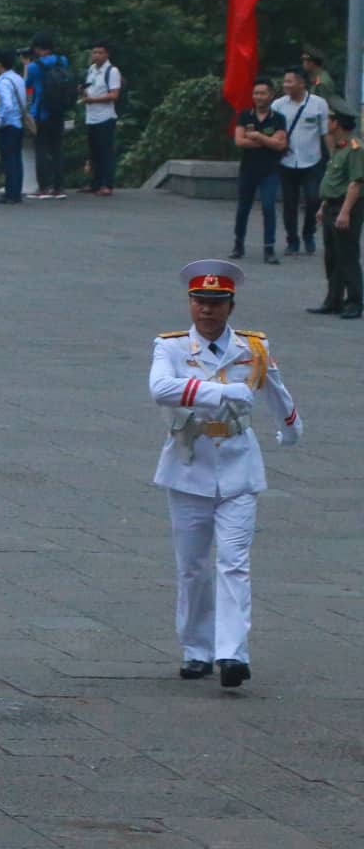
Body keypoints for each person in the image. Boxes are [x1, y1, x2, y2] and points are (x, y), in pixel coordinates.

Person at [147, 261, 302, 687]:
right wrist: (222, 393)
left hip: (238, 462)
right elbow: (160, 389)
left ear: (231, 306)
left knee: (234, 563)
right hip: (189, 460)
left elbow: (275, 388)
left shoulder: (253, 346)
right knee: (194, 565)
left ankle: (233, 653)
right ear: (190, 303)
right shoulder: (171, 347)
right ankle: (197, 649)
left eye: (216, 303)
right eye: (200, 301)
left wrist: (291, 426)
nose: (207, 310)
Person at [308, 109, 362, 318]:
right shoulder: (339, 148)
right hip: (332, 206)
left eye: (329, 119)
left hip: (346, 207)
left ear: (337, 123)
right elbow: (333, 181)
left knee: (347, 255)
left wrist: (345, 212)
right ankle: (334, 299)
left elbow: (356, 183)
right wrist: (323, 206)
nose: (326, 123)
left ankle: (355, 302)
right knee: (332, 256)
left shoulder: (355, 149)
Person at [272, 67, 330, 256]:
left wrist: (333, 156)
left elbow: (325, 132)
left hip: (312, 160)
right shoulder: (278, 105)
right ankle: (292, 240)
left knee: (313, 198)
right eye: (285, 82)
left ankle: (309, 233)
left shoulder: (318, 104)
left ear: (301, 83)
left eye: (289, 81)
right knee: (289, 203)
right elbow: (272, 130)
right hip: (286, 161)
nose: (285, 85)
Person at [231, 79, 287, 264]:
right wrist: (267, 141)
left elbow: (280, 145)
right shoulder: (245, 116)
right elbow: (239, 141)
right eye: (255, 93)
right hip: (248, 169)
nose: (258, 97)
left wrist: (257, 136)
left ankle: (269, 249)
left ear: (271, 95)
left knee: (269, 207)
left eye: (262, 93)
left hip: (269, 171)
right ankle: (238, 244)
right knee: (243, 209)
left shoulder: (278, 118)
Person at [24, 34, 72, 199]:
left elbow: (27, 85)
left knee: (41, 149)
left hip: (41, 112)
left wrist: (26, 65)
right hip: (58, 111)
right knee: (57, 149)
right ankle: (59, 187)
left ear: (37, 49)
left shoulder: (34, 67)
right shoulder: (63, 61)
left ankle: (44, 187)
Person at [0, 49, 31, 205]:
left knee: (8, 160)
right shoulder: (18, 78)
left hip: (8, 125)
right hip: (19, 124)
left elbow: (7, 105)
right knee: (16, 159)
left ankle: (11, 194)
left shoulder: (4, 82)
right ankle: (15, 192)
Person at [82, 41, 122, 195]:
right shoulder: (91, 69)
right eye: (94, 52)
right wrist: (83, 93)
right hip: (91, 116)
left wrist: (93, 100)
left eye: (100, 53)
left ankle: (106, 184)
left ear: (107, 54)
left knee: (105, 152)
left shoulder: (112, 71)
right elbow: (89, 89)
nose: (96, 56)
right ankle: (95, 183)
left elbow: (114, 94)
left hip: (105, 117)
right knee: (94, 152)